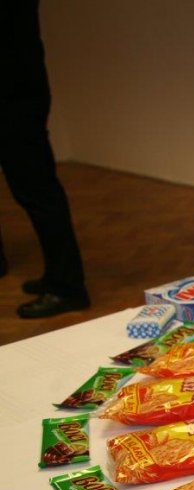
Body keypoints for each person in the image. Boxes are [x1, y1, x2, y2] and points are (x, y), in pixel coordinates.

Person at [0, 0, 90, 319]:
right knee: (35, 192)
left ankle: (68, 287)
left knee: (38, 193)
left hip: (14, 98)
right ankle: (57, 277)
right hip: (16, 92)